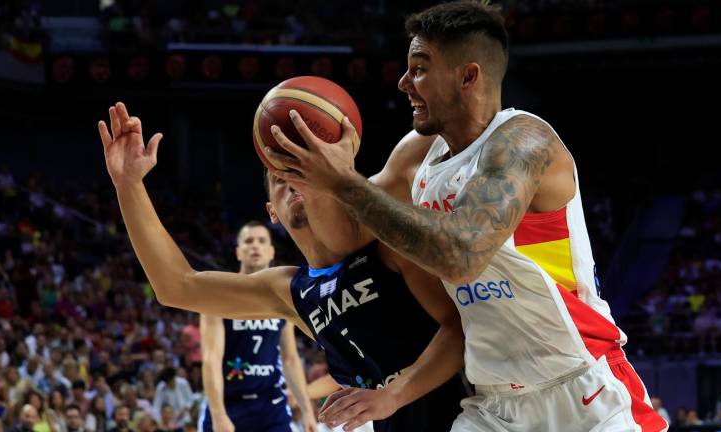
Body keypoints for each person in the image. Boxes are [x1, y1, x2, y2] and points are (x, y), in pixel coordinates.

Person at [266, 2, 669, 431]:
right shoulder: (414, 157)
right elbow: (348, 234)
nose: (403, 83)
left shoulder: (524, 142)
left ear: (468, 76)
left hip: (583, 390)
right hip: (494, 405)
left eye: (419, 69)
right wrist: (308, 180)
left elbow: (461, 254)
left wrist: (343, 182)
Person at [97, 102, 466, 432]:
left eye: (299, 169)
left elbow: (460, 331)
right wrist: (129, 185)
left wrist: (391, 395)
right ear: (272, 212)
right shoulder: (289, 290)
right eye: (279, 177)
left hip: (472, 413)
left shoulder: (385, 240)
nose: (290, 180)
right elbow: (177, 286)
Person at [198, 221, 317, 432]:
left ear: (271, 252)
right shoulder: (218, 295)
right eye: (248, 241)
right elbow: (211, 360)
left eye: (262, 241)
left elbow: (289, 359)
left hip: (270, 405)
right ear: (238, 252)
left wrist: (306, 409)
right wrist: (218, 414)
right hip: (229, 403)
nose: (255, 246)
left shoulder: (282, 297)